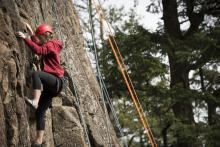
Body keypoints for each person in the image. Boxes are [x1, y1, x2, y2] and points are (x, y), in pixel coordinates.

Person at [17, 23, 65, 147]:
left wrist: (25, 38)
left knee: (37, 74)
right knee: (40, 113)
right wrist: (32, 34)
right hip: (52, 87)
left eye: (40, 36)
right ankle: (38, 141)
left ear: (45, 35)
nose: (39, 39)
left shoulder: (51, 43)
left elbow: (39, 50)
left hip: (57, 81)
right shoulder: (50, 44)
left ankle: (35, 100)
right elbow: (40, 45)